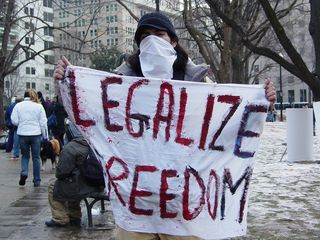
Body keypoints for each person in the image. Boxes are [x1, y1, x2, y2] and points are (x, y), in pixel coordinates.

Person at [53, 11, 276, 240]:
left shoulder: (199, 83)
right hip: (137, 203)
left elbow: (224, 125)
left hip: (184, 203)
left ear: (173, 41)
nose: (152, 41)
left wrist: (260, 102)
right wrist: (68, 84)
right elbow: (91, 116)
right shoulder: (119, 84)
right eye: (145, 36)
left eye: (159, 34)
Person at [45, 136, 104, 227]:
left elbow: (61, 173)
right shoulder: (98, 143)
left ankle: (60, 218)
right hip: (99, 185)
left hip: (82, 187)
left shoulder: (71, 147)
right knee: (72, 181)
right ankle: (74, 215)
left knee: (54, 184)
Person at [11, 89, 48, 187]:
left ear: (24, 96)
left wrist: (21, 124)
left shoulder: (18, 106)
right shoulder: (39, 106)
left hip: (23, 134)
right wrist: (45, 136)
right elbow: (43, 123)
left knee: (25, 156)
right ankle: (36, 180)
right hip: (35, 134)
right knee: (36, 157)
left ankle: (24, 173)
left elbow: (14, 120)